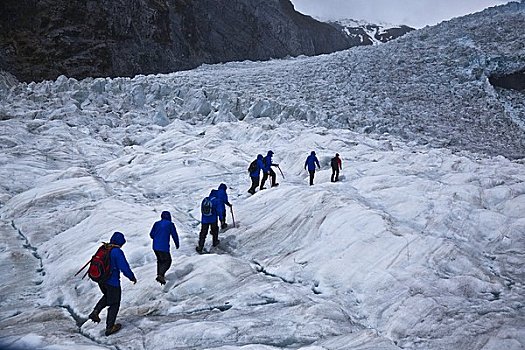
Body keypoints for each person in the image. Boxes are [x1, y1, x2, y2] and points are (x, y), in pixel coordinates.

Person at [88, 232, 137, 336]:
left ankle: (95, 312)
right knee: (114, 303)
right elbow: (124, 267)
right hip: (112, 281)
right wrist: (131, 277)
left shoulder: (104, 248)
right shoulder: (116, 252)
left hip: (101, 280)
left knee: (107, 296)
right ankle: (110, 327)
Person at [149, 211, 180, 285]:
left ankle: (160, 275)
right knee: (168, 261)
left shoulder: (156, 223)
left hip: (155, 246)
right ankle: (160, 275)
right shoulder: (170, 224)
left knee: (160, 260)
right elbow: (174, 235)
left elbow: (151, 234)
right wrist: (177, 244)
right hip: (163, 247)